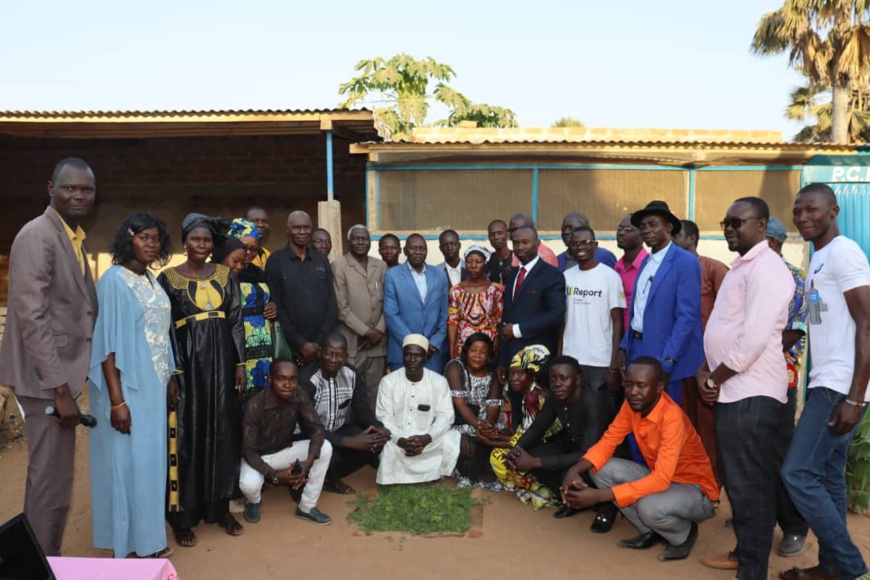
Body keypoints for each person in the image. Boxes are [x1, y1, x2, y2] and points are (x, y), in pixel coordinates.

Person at [0, 158, 98, 556]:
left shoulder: (71, 236)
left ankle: (44, 558)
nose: (78, 195)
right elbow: (31, 315)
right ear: (50, 188)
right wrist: (59, 388)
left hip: (59, 378)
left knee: (56, 478)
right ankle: (36, 563)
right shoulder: (37, 235)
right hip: (45, 381)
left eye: (86, 190)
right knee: (48, 481)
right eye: (69, 188)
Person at [696, 197, 795, 580]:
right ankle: (745, 555)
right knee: (741, 483)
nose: (730, 228)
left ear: (762, 225)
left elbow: (753, 339)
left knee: (750, 486)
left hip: (751, 393)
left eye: (739, 222)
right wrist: (713, 373)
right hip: (734, 390)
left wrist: (713, 378)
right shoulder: (744, 266)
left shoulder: (768, 268)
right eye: (726, 221)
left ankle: (752, 570)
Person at [780, 184, 870, 580]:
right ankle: (833, 568)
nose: (803, 218)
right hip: (826, 381)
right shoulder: (819, 259)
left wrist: (855, 396)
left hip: (840, 386)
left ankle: (849, 568)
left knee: (797, 473)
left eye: (811, 210)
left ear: (833, 211)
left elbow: (868, 322)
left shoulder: (844, 252)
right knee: (828, 476)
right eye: (798, 211)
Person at [561, 357, 718, 562]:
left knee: (649, 506)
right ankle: (650, 530)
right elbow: (608, 441)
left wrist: (599, 496)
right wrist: (575, 470)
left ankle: (684, 535)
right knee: (600, 469)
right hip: (662, 479)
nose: (633, 391)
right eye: (629, 385)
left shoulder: (672, 418)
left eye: (641, 386)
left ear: (659, 387)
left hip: (695, 491)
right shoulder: (632, 406)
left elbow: (661, 480)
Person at [88, 212, 177, 558]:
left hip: (152, 387)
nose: (151, 244)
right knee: (127, 466)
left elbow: (160, 334)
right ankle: (128, 544)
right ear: (129, 240)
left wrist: (170, 375)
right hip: (125, 389)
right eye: (144, 238)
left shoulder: (152, 280)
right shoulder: (113, 281)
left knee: (149, 465)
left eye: (156, 239)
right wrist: (116, 402)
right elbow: (107, 347)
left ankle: (149, 540)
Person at [158, 213, 247, 547]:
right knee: (188, 435)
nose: (202, 245)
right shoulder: (168, 279)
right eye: (196, 239)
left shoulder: (225, 275)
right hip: (189, 366)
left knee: (223, 432)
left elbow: (236, 319)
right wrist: (174, 373)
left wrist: (239, 363)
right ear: (185, 242)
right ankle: (183, 517)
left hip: (223, 362)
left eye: (207, 240)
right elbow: (165, 330)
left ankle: (220, 508)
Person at [505, 356, 616, 523]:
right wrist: (517, 449)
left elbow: (587, 453)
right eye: (553, 379)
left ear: (577, 380)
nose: (557, 384)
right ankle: (570, 499)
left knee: (555, 467)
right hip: (574, 449)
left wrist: (535, 462)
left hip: (601, 459)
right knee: (530, 453)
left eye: (563, 378)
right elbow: (537, 428)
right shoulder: (556, 396)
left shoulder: (593, 401)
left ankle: (605, 503)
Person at [618, 200, 703, 406]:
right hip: (636, 348)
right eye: (643, 226)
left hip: (663, 353)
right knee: (635, 417)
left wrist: (667, 361)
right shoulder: (647, 261)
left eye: (653, 224)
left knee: (661, 418)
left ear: (669, 227)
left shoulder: (685, 262)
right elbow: (638, 309)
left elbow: (687, 317)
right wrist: (623, 347)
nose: (647, 230)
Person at [765, 217, 811, 558]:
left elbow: (805, 327)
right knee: (751, 450)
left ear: (772, 242)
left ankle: (794, 526)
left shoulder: (798, 279)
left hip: (780, 374)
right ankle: (759, 515)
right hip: (744, 377)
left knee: (781, 451)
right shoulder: (744, 273)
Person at [240, 358, 333, 526]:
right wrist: (274, 476)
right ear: (270, 379)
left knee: (325, 447)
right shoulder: (255, 404)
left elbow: (317, 428)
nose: (287, 384)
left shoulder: (298, 394)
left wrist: (308, 463)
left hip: (283, 451)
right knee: (249, 486)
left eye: (292, 379)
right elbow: (248, 451)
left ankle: (307, 506)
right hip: (257, 457)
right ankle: (253, 501)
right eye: (281, 378)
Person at [299, 334, 391, 494]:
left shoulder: (352, 375)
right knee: (331, 455)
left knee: (374, 442)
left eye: (339, 355)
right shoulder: (307, 379)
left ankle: (330, 478)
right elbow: (309, 427)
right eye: (329, 353)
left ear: (346, 357)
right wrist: (348, 442)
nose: (333, 359)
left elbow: (363, 412)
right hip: (307, 436)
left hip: (336, 430)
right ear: (320, 352)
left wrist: (380, 429)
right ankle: (304, 483)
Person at [672, 218, 728, 484]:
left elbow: (731, 317)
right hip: (678, 362)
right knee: (682, 425)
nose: (672, 241)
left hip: (708, 364)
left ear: (692, 239)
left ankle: (710, 484)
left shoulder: (714, 269)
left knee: (708, 428)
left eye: (677, 236)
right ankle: (686, 480)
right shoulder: (670, 270)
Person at [498, 224, 565, 420]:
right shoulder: (512, 275)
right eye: (516, 243)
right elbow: (506, 320)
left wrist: (519, 330)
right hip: (513, 361)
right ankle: (517, 449)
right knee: (517, 415)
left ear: (537, 243)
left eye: (525, 242)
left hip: (538, 361)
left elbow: (557, 314)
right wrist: (503, 360)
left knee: (537, 415)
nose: (520, 247)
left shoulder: (552, 275)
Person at [375, 335, 460, 485]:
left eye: (417, 355)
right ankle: (413, 477)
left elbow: (445, 416)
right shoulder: (388, 382)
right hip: (398, 440)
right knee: (386, 444)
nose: (412, 359)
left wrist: (427, 438)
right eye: (408, 355)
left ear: (425, 357)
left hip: (428, 440)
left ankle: (430, 475)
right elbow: (384, 417)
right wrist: (400, 440)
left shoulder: (438, 382)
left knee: (451, 439)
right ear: (403, 356)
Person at [490, 345, 562, 509]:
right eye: (512, 373)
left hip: (545, 448)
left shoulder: (533, 398)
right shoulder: (531, 394)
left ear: (531, 375)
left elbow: (527, 438)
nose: (513, 378)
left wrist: (491, 441)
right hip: (540, 444)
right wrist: (498, 435)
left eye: (520, 373)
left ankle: (541, 491)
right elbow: (524, 432)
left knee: (497, 457)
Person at [561, 226, 625, 408]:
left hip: (599, 361)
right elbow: (561, 322)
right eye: (575, 243)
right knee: (574, 414)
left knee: (596, 416)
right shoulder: (566, 277)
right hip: (571, 358)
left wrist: (613, 366)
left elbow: (617, 323)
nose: (580, 247)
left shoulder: (610, 277)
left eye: (586, 243)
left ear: (595, 245)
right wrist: (559, 357)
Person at [266, 210, 338, 366]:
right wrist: (301, 344)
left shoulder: (321, 260)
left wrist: (317, 344)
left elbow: (331, 303)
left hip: (320, 348)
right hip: (290, 349)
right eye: (297, 228)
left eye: (306, 227)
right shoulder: (275, 261)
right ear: (287, 231)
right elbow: (276, 305)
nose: (302, 232)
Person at [332, 225, 387, 406]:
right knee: (348, 392)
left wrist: (377, 331)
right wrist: (366, 332)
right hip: (353, 345)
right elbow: (342, 308)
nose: (361, 242)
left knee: (374, 393)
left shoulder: (380, 266)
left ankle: (373, 430)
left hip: (377, 344)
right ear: (349, 242)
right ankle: (349, 431)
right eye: (356, 238)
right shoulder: (339, 265)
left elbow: (389, 303)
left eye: (364, 238)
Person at [226, 218, 278, 405]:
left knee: (260, 400)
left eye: (253, 249)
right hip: (237, 346)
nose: (248, 253)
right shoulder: (221, 271)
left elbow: (271, 297)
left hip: (262, 346)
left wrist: (273, 305)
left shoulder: (258, 272)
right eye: (243, 246)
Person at [383, 233, 449, 373]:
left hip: (432, 353)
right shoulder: (392, 275)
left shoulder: (440, 275)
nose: (418, 252)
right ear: (405, 251)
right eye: (413, 248)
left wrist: (434, 343)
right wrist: (414, 344)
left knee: (431, 394)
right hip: (402, 352)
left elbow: (444, 314)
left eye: (422, 248)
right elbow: (391, 314)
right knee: (402, 394)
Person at [445, 333, 503, 489]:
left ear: (489, 355)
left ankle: (484, 473)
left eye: (483, 352)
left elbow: (493, 406)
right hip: (460, 420)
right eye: (473, 350)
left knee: (499, 437)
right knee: (466, 445)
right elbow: (460, 404)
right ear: (466, 351)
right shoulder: (455, 367)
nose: (477, 356)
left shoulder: (493, 373)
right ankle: (466, 473)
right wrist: (478, 426)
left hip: (484, 423)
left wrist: (488, 427)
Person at [447, 245, 505, 359]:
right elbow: (453, 324)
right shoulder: (456, 291)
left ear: (485, 263)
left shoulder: (496, 290)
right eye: (469, 262)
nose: (473, 266)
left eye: (478, 262)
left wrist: (500, 353)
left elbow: (500, 322)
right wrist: (451, 354)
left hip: (489, 348)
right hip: (463, 348)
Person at [614, 214, 648, 332]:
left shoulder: (649, 267)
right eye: (619, 229)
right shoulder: (616, 267)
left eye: (628, 230)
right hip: (619, 335)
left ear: (642, 235)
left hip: (641, 336)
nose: (621, 233)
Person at [484, 219, 513, 284]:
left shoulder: (516, 259)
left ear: (507, 235)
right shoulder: (487, 262)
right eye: (492, 234)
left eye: (500, 233)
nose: (496, 237)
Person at [243, 205, 271, 270]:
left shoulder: (266, 253)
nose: (261, 225)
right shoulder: (237, 251)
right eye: (255, 221)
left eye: (265, 221)